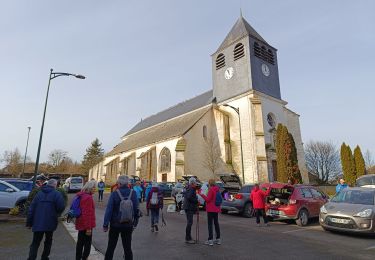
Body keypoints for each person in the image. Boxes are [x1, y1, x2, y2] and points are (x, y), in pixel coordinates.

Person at [26, 179, 65, 260]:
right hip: (50, 222)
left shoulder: (38, 194)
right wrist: (56, 213)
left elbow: (31, 209)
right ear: (55, 185)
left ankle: (31, 258)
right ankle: (45, 257)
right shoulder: (57, 194)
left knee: (35, 242)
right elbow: (61, 207)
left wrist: (29, 223)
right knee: (48, 241)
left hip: (38, 223)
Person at [103, 175, 139, 260]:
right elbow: (136, 209)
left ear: (119, 183)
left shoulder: (115, 194)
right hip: (128, 224)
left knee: (111, 247)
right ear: (128, 183)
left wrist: (105, 224)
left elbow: (109, 209)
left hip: (115, 224)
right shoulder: (133, 193)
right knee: (127, 248)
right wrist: (135, 223)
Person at [75, 180, 96, 260]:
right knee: (87, 244)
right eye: (94, 187)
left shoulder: (81, 195)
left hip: (80, 222)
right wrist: (88, 228)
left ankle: (77, 258)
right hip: (86, 225)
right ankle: (84, 258)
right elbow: (87, 214)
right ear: (90, 188)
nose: (95, 189)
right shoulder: (88, 198)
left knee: (80, 242)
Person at [199, 179, 221, 246]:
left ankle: (210, 240)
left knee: (210, 224)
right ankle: (218, 239)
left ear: (209, 184)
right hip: (216, 209)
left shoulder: (211, 190)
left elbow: (208, 200)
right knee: (216, 223)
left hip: (210, 209)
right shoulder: (217, 189)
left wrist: (201, 194)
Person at [183, 177, 199, 244]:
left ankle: (189, 237)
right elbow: (189, 197)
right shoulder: (192, 189)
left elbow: (188, 196)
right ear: (193, 183)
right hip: (189, 208)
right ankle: (188, 238)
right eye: (195, 183)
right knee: (190, 223)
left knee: (189, 222)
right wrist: (196, 201)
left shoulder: (189, 188)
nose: (196, 184)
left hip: (188, 207)